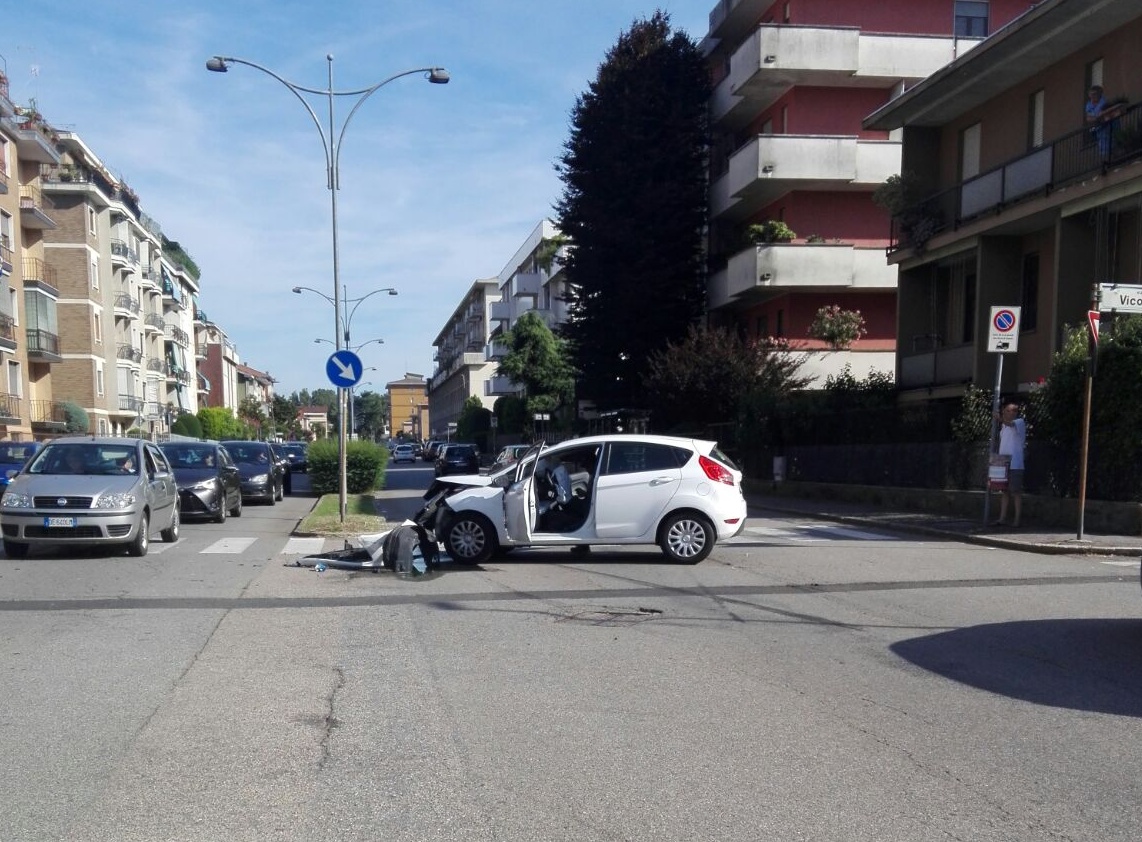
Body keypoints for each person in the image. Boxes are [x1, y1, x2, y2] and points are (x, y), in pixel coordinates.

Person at [993, 402, 1027, 527]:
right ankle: (1002, 518)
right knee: (1005, 491)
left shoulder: (1019, 422)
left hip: (1015, 464)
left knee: (1016, 492)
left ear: (1014, 412)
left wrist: (999, 419)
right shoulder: (1004, 427)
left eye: (1007, 411)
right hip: (1004, 463)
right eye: (1004, 411)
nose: (1005, 413)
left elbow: (1010, 423)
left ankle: (1017, 520)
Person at [1085, 85, 1115, 157]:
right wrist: (1096, 118)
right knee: (1102, 149)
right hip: (1099, 130)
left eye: (1094, 94)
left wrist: (1097, 117)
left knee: (1111, 146)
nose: (1092, 96)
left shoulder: (1104, 102)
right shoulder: (1089, 105)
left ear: (1100, 94)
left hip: (1108, 128)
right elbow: (1088, 118)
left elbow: (1105, 114)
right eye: (1091, 94)